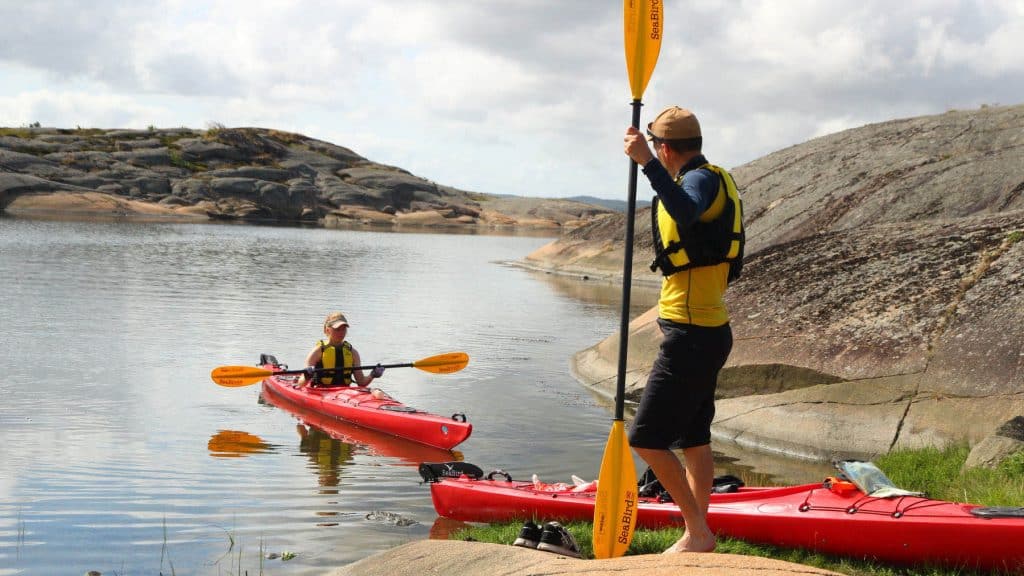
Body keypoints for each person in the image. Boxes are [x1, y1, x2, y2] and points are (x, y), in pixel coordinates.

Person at [622, 106, 744, 554]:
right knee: (694, 437)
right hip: (707, 330)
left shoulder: (695, 181)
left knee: (646, 439)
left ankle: (697, 531)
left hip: (693, 336)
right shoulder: (714, 176)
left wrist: (646, 165)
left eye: (656, 147)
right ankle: (698, 531)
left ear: (666, 147)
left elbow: (686, 212)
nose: (655, 152)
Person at [301, 311, 386, 396]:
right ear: (327, 330)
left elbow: (361, 382)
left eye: (344, 329)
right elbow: (300, 383)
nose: (341, 333)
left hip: (344, 393)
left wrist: (373, 374)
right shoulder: (318, 351)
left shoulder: (353, 352)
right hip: (321, 392)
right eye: (337, 329)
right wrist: (306, 376)